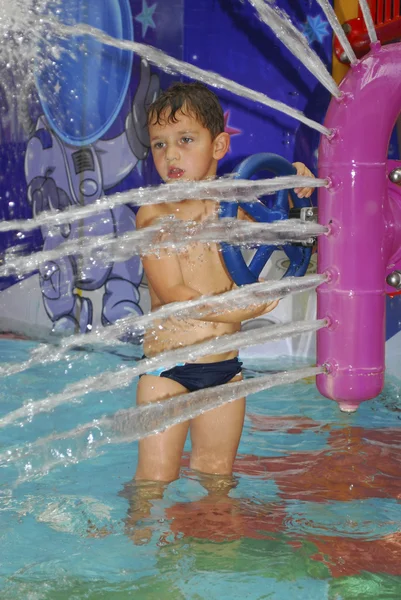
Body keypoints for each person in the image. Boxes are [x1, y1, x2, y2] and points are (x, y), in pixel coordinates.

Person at [130, 82, 314, 541]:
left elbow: (285, 230)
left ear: (219, 145)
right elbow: (174, 291)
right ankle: (138, 556)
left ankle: (211, 557)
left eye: (185, 140)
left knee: (217, 479)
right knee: (155, 480)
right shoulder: (153, 216)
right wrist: (242, 312)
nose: (170, 154)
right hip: (167, 374)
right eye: (159, 144)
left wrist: (299, 194)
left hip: (224, 372)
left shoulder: (232, 207)